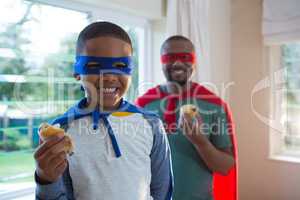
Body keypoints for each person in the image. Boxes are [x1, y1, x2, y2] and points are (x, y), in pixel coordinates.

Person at [34, 21, 173, 200]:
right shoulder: (61, 132)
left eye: (120, 66)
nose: (108, 76)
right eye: (94, 66)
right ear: (77, 71)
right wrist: (45, 178)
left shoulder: (151, 125)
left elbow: (162, 191)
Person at [136, 35, 238, 200]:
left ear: (194, 62)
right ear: (161, 62)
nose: (177, 63)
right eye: (170, 57)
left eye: (184, 57)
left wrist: (200, 142)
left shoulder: (213, 105)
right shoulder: (143, 105)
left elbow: (225, 167)